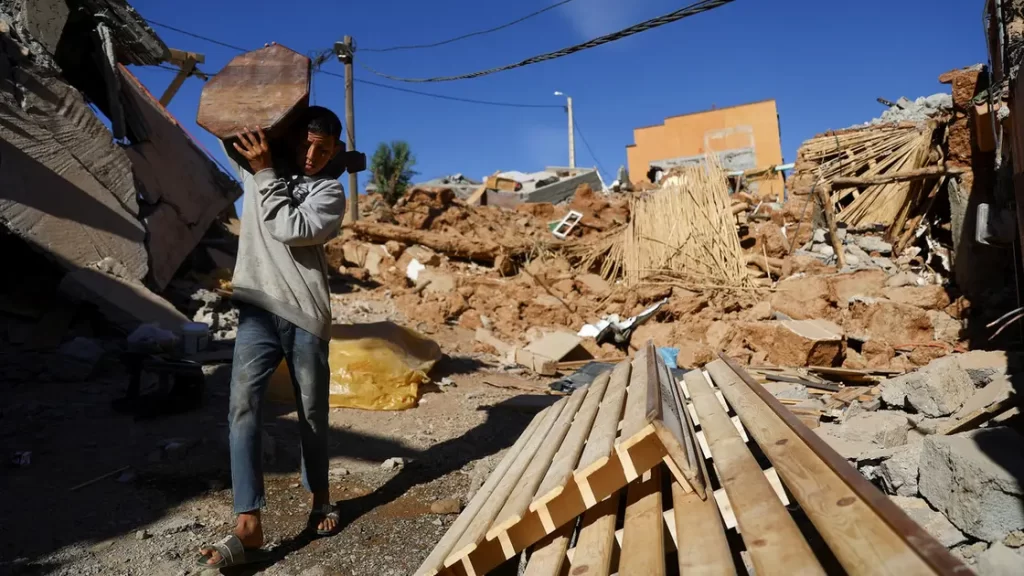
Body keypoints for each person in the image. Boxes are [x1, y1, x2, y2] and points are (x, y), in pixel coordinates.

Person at [198, 106, 346, 569]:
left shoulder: (329, 191)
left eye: (323, 150)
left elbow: (290, 228)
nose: (311, 156)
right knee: (241, 407)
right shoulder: (258, 168)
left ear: (335, 152)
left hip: (305, 314)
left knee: (313, 411)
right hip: (258, 309)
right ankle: (248, 520)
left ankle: (320, 496)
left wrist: (265, 175)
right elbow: (229, 132)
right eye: (305, 144)